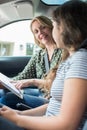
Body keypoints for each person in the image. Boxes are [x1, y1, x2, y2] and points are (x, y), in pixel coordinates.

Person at [0, 0, 87, 130]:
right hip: (47, 116)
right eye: (36, 31)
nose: (42, 32)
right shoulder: (69, 58)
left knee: (7, 100)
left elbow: (67, 124)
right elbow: (54, 105)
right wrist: (20, 114)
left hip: (51, 121)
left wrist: (18, 119)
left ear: (66, 28)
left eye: (54, 24)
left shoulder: (80, 60)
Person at [0, 15, 62, 109]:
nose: (40, 33)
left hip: (53, 98)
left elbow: (58, 84)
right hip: (41, 92)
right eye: (36, 31)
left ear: (51, 27)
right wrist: (6, 84)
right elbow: (22, 77)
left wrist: (32, 82)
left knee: (7, 99)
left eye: (43, 27)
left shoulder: (64, 52)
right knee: (3, 92)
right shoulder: (39, 55)